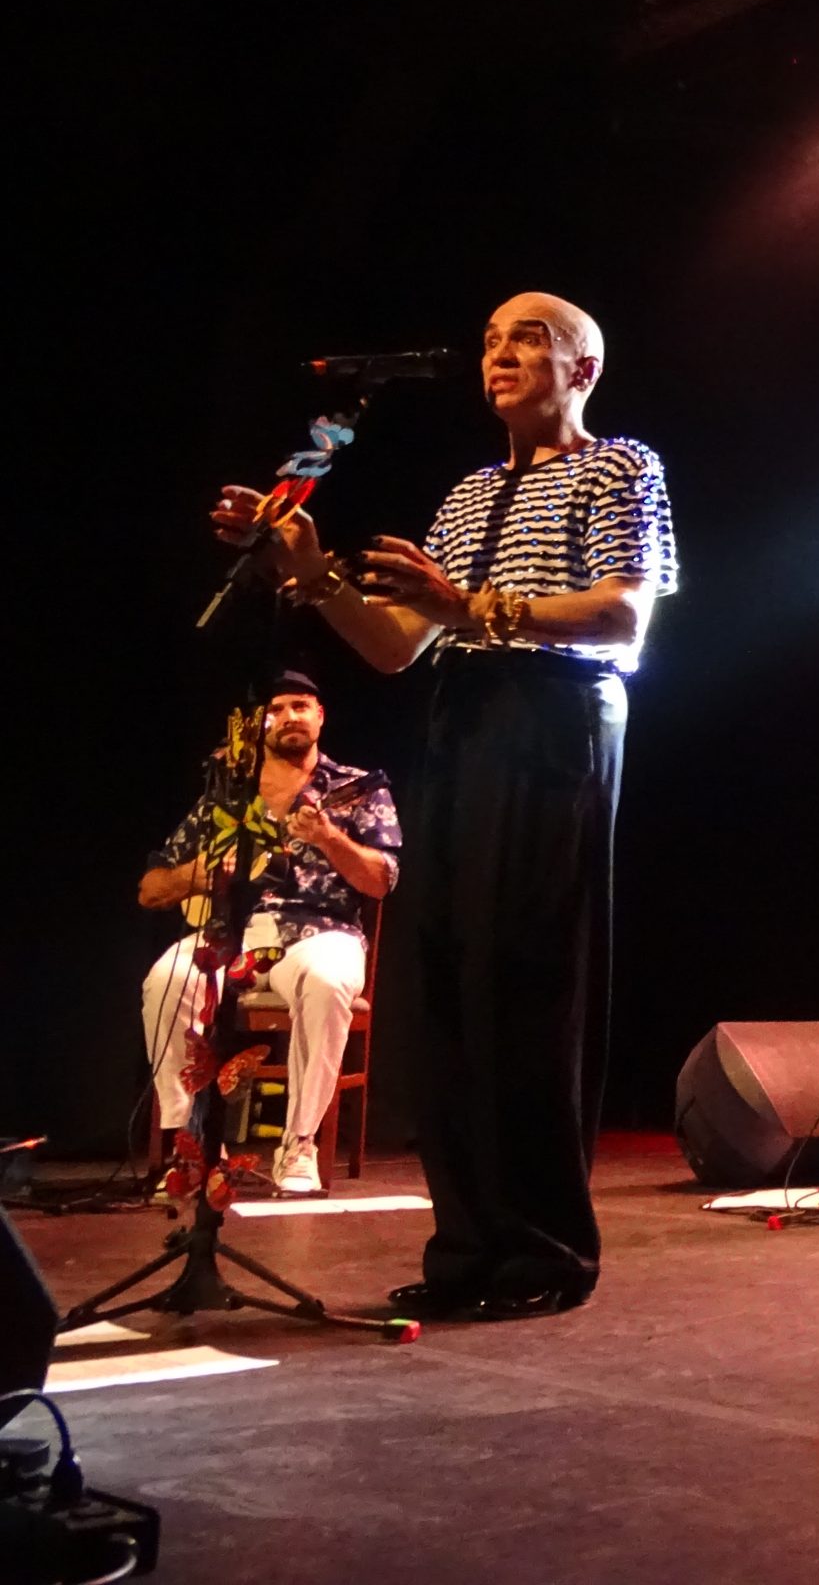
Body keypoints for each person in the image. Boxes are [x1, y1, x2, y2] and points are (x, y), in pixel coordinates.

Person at [212, 291, 677, 1319]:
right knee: (456, 981)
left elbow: (621, 611)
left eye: (528, 338)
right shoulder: (467, 496)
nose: (499, 355)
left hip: (556, 716)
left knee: (528, 979)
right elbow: (391, 643)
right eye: (489, 340)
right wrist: (313, 572)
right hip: (464, 720)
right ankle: (470, 1245)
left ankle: (545, 1250)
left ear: (583, 370)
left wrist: (468, 607)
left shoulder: (621, 465)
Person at [136, 672, 400, 1196]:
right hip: (229, 932)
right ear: (258, 726)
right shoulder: (227, 795)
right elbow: (150, 888)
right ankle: (189, 1144)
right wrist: (207, 874)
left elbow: (382, 880)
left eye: (300, 705)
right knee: (163, 981)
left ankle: (298, 1145)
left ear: (319, 716)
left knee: (327, 981)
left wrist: (329, 839)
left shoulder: (356, 788)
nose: (288, 717)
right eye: (274, 709)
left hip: (318, 931)